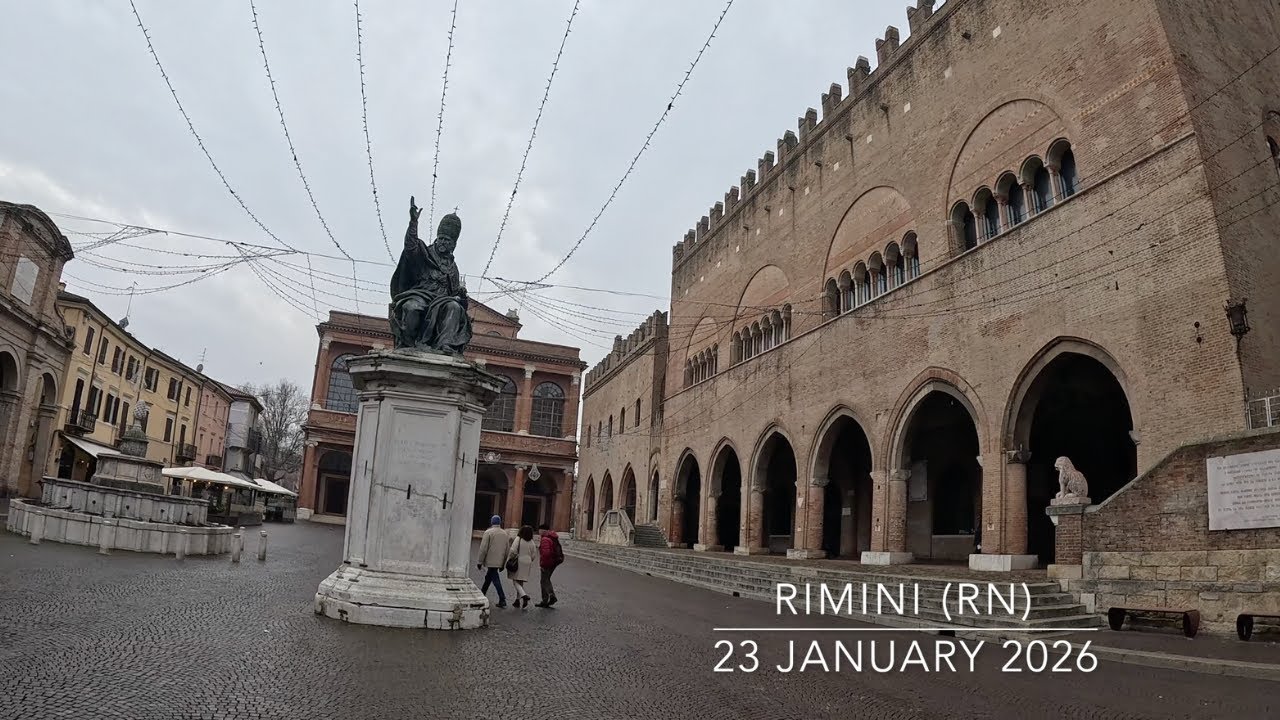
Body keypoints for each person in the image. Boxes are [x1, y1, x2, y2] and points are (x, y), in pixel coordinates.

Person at [477, 515, 510, 608]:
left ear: (492, 522)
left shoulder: (488, 532)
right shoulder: (505, 533)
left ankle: (502, 598)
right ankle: (482, 594)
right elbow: (507, 550)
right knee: (488, 577)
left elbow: (483, 548)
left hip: (490, 560)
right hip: (499, 561)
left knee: (495, 579)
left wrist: (480, 561)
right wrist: (503, 563)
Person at [506, 525, 538, 609]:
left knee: (515, 581)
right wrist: (530, 559)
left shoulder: (519, 539)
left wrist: (510, 558)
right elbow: (534, 554)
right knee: (521, 581)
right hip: (528, 562)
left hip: (519, 561)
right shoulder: (532, 542)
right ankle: (517, 600)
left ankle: (524, 596)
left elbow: (513, 550)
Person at [534, 523, 564, 608]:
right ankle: (546, 599)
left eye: (540, 530)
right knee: (546, 579)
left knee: (544, 580)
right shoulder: (553, 537)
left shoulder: (545, 539)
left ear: (543, 530)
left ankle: (549, 596)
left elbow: (546, 554)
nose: (539, 532)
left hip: (547, 563)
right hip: (554, 561)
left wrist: (543, 564)